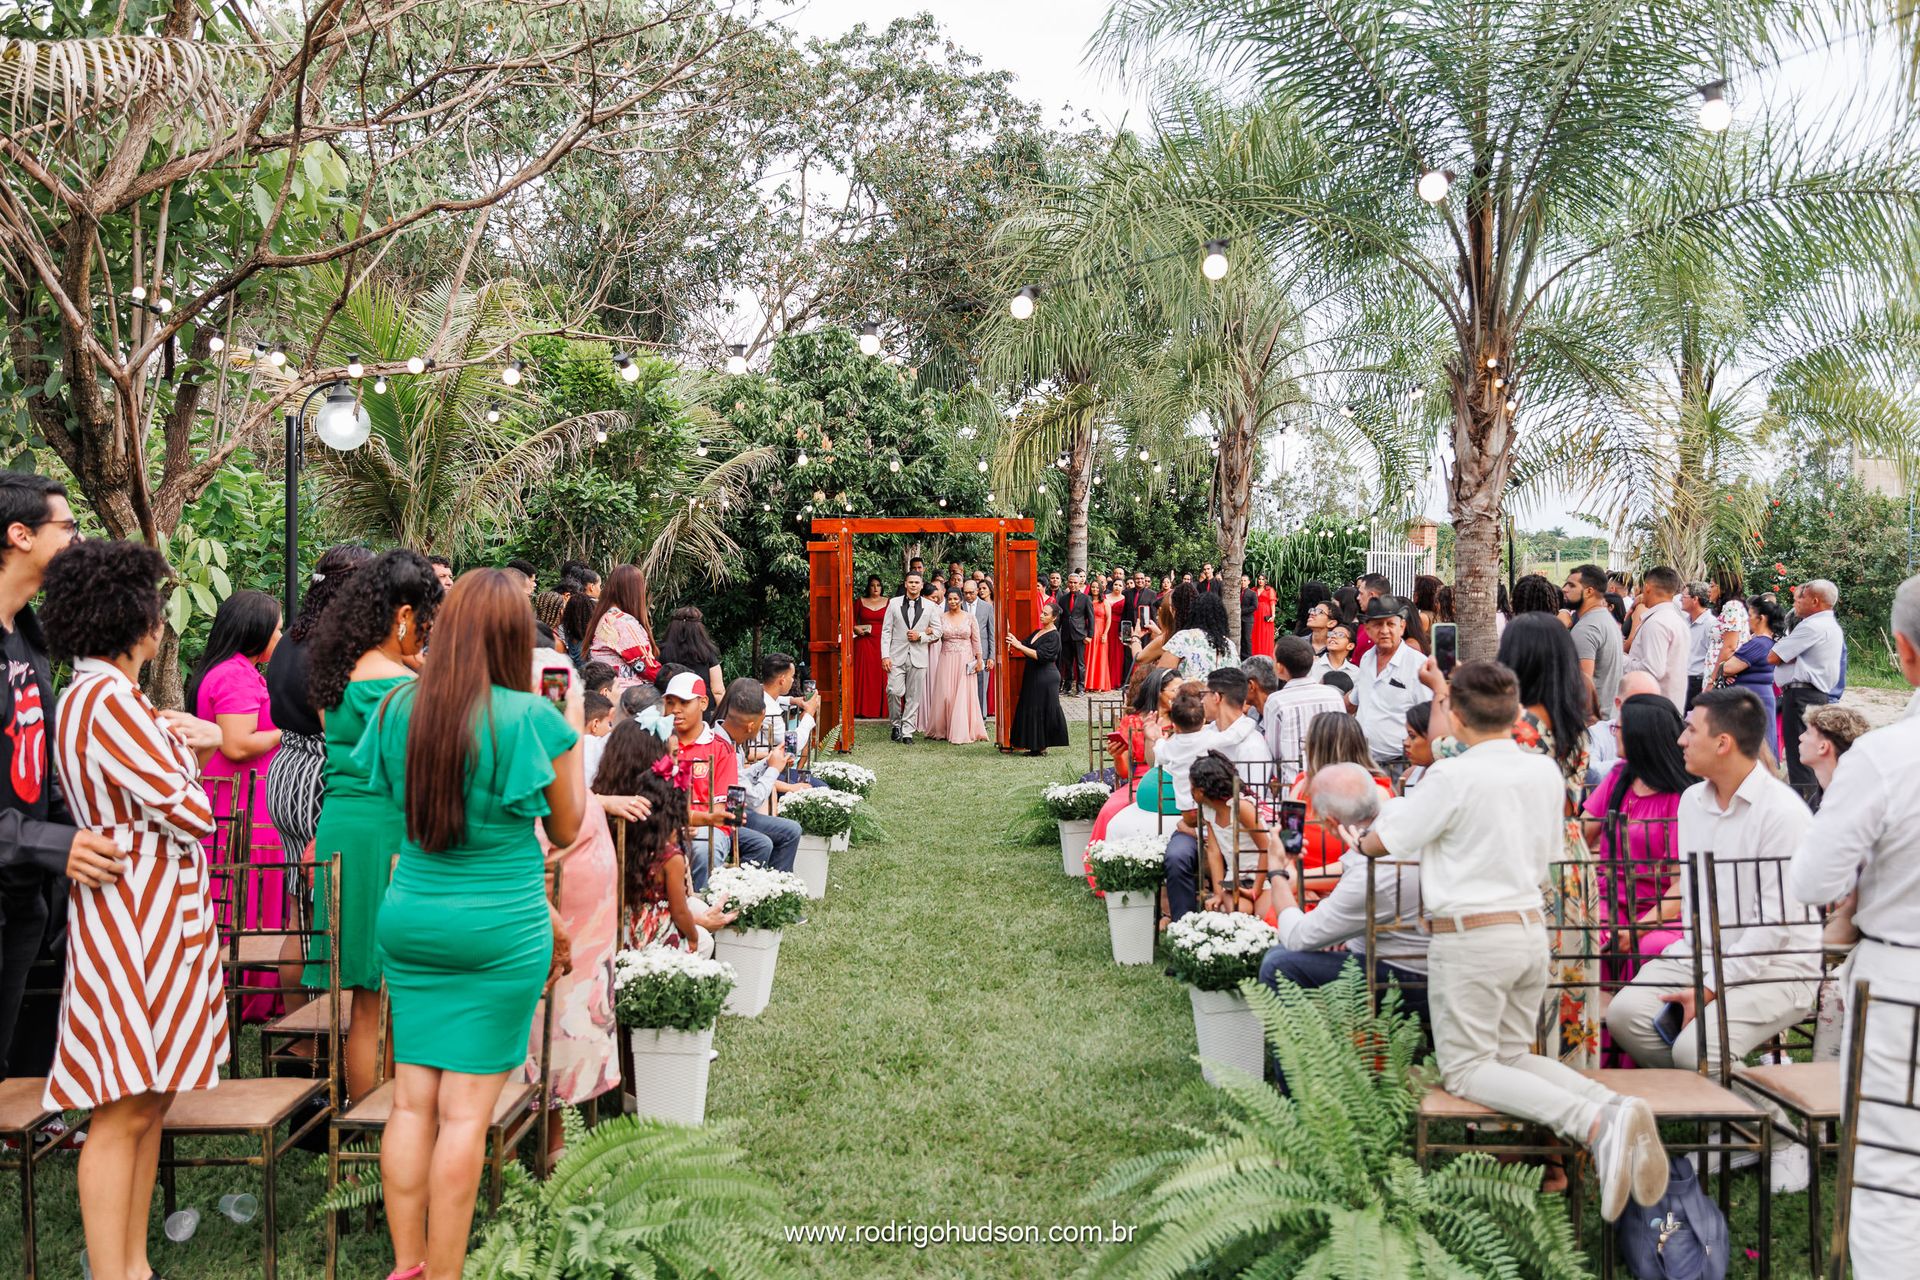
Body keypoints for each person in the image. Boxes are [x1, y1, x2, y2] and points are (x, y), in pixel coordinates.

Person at [1350, 660, 1669, 1223]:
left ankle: (1596, 1125)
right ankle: (1612, 1106)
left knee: (1468, 1069)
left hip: (1473, 934)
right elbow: (1550, 846)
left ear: (1456, 715)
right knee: (1512, 1055)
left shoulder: (1454, 776)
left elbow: (1385, 842)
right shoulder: (1541, 772)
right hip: (1528, 929)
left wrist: (1359, 837)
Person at [357, 568, 584, 1280]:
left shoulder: (397, 708)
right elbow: (569, 827)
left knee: (411, 1103)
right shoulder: (533, 718)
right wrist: (569, 733)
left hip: (414, 917)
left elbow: (394, 805)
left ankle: (407, 1265)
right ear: (518, 639)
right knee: (462, 1117)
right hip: (498, 926)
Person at [41, 539, 228, 1280]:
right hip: (133, 921)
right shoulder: (108, 701)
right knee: (120, 1108)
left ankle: (135, 1264)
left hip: (147, 916)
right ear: (135, 619)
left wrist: (181, 736)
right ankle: (115, 1269)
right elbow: (191, 811)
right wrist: (195, 746)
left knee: (147, 1101)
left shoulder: (102, 697)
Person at [1607, 688, 1819, 1192]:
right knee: (1625, 1016)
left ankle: (1784, 1135)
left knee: (1692, 1048)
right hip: (1701, 953)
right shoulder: (1691, 802)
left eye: (1690, 730)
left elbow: (1776, 928)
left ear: (1723, 743)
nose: (1680, 740)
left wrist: (1707, 989)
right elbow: (1696, 897)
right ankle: (1748, 1123)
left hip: (1780, 967)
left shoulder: (1783, 815)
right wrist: (1699, 971)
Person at [1788, 573, 1920, 1276]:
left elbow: (1812, 882)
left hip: (1902, 985)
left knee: (1892, 1182)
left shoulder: (1888, 757)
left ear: (1903, 651)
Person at [304, 549, 443, 1104]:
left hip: (342, 828)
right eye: (425, 623)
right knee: (396, 996)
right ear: (404, 615)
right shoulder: (399, 691)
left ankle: (362, 1142)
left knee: (364, 1002)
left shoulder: (338, 673)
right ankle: (394, 1131)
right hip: (390, 834)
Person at [0, 473, 123, 1085]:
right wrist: (55, 844)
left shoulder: (28, 637)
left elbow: (40, 763)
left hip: (23, 893)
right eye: (67, 528)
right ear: (20, 535)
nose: (78, 541)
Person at [1257, 762, 1429, 1091]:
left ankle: (1297, 1093)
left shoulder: (1371, 876)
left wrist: (1277, 872)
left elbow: (1297, 938)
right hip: (1425, 955)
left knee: (1278, 964)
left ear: (1332, 822)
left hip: (1408, 977)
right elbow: (1355, 869)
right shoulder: (1398, 812)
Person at [187, 588, 286, 1021]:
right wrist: (289, 727)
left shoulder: (234, 670)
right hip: (243, 801)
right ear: (255, 633)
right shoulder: (235, 676)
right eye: (277, 630)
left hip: (240, 797)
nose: (281, 638)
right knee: (250, 894)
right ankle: (252, 995)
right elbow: (238, 743)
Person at [1579, 694, 1690, 1018]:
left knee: (1647, 946)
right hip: (1608, 900)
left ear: (1642, 735)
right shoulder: (1619, 777)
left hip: (1660, 912)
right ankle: (1586, 1042)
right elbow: (1578, 836)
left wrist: (1638, 928)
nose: (1612, 732)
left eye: (1619, 727)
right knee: (1583, 934)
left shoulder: (1680, 798)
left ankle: (1632, 1039)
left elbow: (1678, 888)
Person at [265, 544, 373, 861]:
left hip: (285, 772)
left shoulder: (291, 637)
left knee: (299, 891)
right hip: (318, 779)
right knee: (328, 894)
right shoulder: (337, 647)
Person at [596, 720, 736, 955]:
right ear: (647, 759)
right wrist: (696, 923)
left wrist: (710, 818)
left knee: (705, 910)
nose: (676, 762)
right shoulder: (624, 807)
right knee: (703, 939)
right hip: (631, 912)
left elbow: (681, 815)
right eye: (671, 755)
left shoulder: (642, 798)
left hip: (652, 903)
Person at [710, 680, 802, 872]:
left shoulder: (729, 738)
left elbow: (739, 776)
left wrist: (768, 762)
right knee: (769, 841)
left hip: (733, 812)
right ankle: (754, 890)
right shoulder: (722, 746)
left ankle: (777, 887)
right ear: (752, 724)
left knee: (791, 829)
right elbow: (751, 799)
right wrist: (773, 769)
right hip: (726, 816)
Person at [1769, 578, 1844, 790]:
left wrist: (1787, 654)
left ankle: (1806, 806)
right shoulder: (1829, 624)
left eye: (1800, 598)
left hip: (1801, 696)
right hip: (1813, 695)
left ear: (1815, 601)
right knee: (1810, 753)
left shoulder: (1812, 626)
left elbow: (1773, 657)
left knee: (1800, 755)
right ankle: (1812, 801)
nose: (1796, 604)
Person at [1189, 750, 1277, 917]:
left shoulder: (1240, 807)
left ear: (1200, 791)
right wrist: (1218, 893)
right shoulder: (1207, 810)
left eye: (1191, 786)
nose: (1190, 790)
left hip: (1264, 876)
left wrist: (1256, 890)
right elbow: (1214, 852)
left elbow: (1266, 846)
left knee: (1264, 917)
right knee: (1239, 913)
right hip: (1235, 879)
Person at [1352, 595, 1430, 774]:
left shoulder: (1416, 664)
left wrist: (1419, 767)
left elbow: (1428, 716)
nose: (1385, 630)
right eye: (1378, 625)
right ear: (1368, 629)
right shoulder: (1366, 659)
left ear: (1402, 627)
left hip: (1401, 764)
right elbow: (1357, 699)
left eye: (1390, 624)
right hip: (1363, 760)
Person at [1265, 636, 1346, 779]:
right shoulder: (1334, 695)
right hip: (1334, 780)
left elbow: (1274, 751)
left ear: (1279, 667)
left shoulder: (1276, 701)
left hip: (1294, 784)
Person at [923, 589, 987, 744]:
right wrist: (927, 633)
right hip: (946, 657)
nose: (952, 602)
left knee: (963, 694)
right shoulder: (941, 617)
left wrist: (979, 660)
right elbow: (934, 638)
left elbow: (976, 641)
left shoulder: (970, 618)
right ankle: (943, 728)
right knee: (946, 693)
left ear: (961, 600)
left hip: (965, 658)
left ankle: (963, 730)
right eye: (949, 599)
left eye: (955, 599)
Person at [1564, 563, 1622, 733]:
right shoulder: (1605, 619)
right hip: (1607, 718)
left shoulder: (1587, 628)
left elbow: (1583, 683)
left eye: (1572, 585)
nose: (1565, 589)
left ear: (1589, 591)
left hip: (1592, 724)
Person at [1720, 595, 1782, 756]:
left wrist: (1722, 669)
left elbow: (1729, 667)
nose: (1747, 619)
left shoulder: (1758, 643)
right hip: (1758, 696)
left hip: (1753, 698)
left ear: (1761, 618)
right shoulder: (1767, 642)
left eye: (1750, 615)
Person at [1006, 601, 1069, 757]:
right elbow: (1025, 645)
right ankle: (1034, 745)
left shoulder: (1054, 636)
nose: (1041, 615)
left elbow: (1041, 656)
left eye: (1045, 614)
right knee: (1032, 708)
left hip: (1046, 677)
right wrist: (1012, 638)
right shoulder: (1037, 632)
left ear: (1054, 618)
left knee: (1041, 709)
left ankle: (1041, 746)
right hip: (1034, 675)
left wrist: (1019, 646)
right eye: (1042, 612)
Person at [1624, 566, 1689, 712]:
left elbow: (1652, 670)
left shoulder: (1657, 622)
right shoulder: (1677, 619)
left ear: (1647, 587)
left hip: (1653, 709)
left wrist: (1621, 659)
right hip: (1669, 705)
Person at [585, 564, 658, 693]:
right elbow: (645, 667)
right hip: (628, 697)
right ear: (634, 591)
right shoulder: (621, 622)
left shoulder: (603, 617)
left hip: (606, 692)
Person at [882, 572, 936, 744]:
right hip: (896, 656)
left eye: (916, 582)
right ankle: (896, 724)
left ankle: (907, 732)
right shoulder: (893, 603)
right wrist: (885, 655)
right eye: (910, 582)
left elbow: (938, 631)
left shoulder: (930, 606)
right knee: (894, 690)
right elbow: (886, 631)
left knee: (914, 695)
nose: (913, 585)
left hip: (919, 656)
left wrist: (920, 636)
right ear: (905, 584)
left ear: (921, 585)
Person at [1160, 589, 1237, 681]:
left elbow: (1162, 674)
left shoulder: (1183, 638)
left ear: (1193, 613)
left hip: (1189, 693)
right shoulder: (1230, 645)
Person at [1798, 704, 1870, 796]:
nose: (1801, 737)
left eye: (1808, 733)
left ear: (1823, 747)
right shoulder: (1854, 792)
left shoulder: (1847, 803)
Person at [658, 606, 724, 698]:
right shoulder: (708, 653)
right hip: (702, 709)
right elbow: (718, 691)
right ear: (699, 630)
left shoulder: (660, 652)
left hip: (670, 708)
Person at [850, 575, 889, 720]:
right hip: (864, 642)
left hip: (882, 642)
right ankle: (863, 709)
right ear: (868, 587)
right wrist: (855, 628)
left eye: (878, 585)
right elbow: (850, 619)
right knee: (864, 675)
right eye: (872, 585)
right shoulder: (860, 601)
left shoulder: (889, 602)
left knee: (882, 674)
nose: (875, 588)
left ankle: (883, 710)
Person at [1679, 581, 1715, 708]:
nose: (1680, 600)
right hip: (1682, 678)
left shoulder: (1710, 624)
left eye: (1684, 597)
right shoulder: (1685, 621)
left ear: (1695, 599)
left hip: (1696, 681)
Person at [963, 578, 995, 717]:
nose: (968, 595)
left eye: (971, 592)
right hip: (963, 651)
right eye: (965, 593)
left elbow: (991, 633)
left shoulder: (987, 607)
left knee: (982, 685)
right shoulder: (958, 604)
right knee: (964, 685)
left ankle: (981, 716)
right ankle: (965, 714)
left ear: (977, 591)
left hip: (983, 651)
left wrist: (991, 656)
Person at [1058, 571, 1094, 694]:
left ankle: (1080, 688)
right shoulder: (1063, 599)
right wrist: (1056, 633)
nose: (1073, 585)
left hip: (1080, 635)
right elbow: (1060, 618)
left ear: (1079, 584)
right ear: (1067, 583)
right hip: (1066, 635)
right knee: (1067, 663)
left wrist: (1090, 635)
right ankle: (1067, 687)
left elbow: (1091, 618)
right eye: (1071, 582)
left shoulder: (1086, 599)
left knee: (1080, 664)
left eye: (1075, 583)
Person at [1087, 576, 1122, 693]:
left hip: (1101, 630)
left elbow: (1109, 619)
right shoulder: (1087, 600)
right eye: (1093, 587)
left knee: (1100, 658)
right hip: (1089, 631)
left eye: (1097, 587)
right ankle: (1089, 684)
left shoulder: (1105, 602)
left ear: (1101, 589)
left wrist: (1105, 633)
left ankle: (1099, 684)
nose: (1095, 589)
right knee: (1089, 657)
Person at [1250, 573, 1278, 659]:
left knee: (1265, 634)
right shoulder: (1253, 589)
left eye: (1262, 579)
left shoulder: (1270, 590)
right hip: (1254, 613)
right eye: (1259, 579)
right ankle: (1254, 654)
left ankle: (1266, 655)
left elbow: (1272, 603)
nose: (1260, 581)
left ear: (1266, 581)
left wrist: (1273, 615)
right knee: (1254, 633)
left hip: (1265, 614)